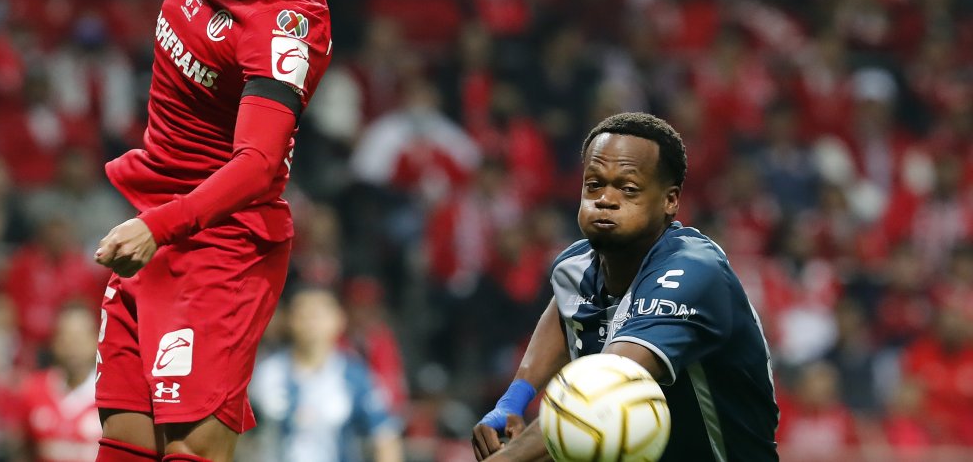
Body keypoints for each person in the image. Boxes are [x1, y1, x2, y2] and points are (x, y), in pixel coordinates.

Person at [91, 0, 344, 462]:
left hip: (219, 250)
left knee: (189, 451)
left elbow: (259, 165)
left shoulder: (286, 25)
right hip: (157, 224)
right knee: (122, 442)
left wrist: (159, 227)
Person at [470, 112, 779, 461]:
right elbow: (564, 311)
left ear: (670, 201)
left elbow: (604, 390)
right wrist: (513, 400)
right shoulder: (575, 265)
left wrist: (508, 459)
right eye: (594, 184)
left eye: (628, 189)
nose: (606, 198)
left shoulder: (693, 271)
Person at [246, 286, 404, 462]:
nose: (311, 322)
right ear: (289, 320)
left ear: (339, 319)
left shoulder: (354, 376)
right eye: (303, 314)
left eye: (318, 314)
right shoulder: (265, 373)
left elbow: (386, 436)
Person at [14, 304, 102, 462]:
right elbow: (21, 450)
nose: (73, 347)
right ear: (54, 341)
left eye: (80, 338)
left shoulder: (113, 396)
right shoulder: (32, 390)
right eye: (66, 337)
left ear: (96, 340)